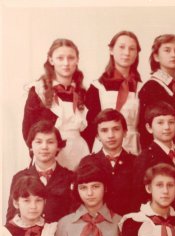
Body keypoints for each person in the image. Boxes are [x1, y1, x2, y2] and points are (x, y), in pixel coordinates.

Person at [22, 38, 89, 170]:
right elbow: (28, 130)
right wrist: (42, 154)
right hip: (50, 154)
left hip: (79, 152)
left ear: (77, 60)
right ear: (51, 60)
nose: (66, 63)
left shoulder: (81, 92)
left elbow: (89, 131)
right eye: (60, 58)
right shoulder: (39, 90)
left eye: (71, 58)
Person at [85, 30, 142, 155]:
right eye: (122, 47)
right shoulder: (97, 87)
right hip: (104, 146)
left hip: (132, 146)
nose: (127, 53)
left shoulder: (141, 88)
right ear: (111, 50)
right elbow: (89, 127)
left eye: (132, 49)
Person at [6, 120, 74, 223]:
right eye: (38, 142)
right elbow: (11, 217)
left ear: (58, 146)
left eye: (50, 142)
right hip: (28, 233)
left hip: (60, 232)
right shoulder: (19, 177)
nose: (44, 147)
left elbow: (74, 217)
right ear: (31, 146)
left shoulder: (70, 177)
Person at [80, 108, 137, 216]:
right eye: (104, 130)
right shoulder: (88, 162)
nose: (111, 135)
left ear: (125, 132)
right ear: (97, 136)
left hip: (128, 219)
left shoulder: (135, 162)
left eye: (116, 129)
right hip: (97, 221)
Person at [138, 34, 175, 148]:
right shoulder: (150, 88)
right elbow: (145, 129)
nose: (173, 55)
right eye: (167, 50)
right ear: (156, 57)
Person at [133, 101, 175, 206]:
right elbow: (140, 195)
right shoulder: (145, 159)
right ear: (149, 128)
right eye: (160, 123)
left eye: (171, 122)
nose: (167, 127)